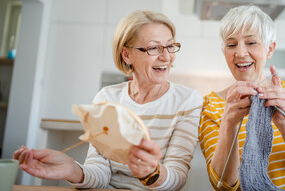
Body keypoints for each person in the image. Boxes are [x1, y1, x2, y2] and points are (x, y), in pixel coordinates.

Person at [14, 10, 203, 190]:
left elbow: (177, 178)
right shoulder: (107, 98)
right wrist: (71, 169)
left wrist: (151, 172)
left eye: (170, 46)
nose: (166, 57)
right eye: (154, 48)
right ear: (127, 55)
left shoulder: (187, 101)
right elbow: (100, 173)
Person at [198, 5, 285, 190]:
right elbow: (223, 185)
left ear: (270, 49)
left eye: (251, 43)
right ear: (224, 52)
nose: (240, 53)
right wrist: (228, 124)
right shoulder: (212, 105)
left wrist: (284, 122)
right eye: (231, 44)